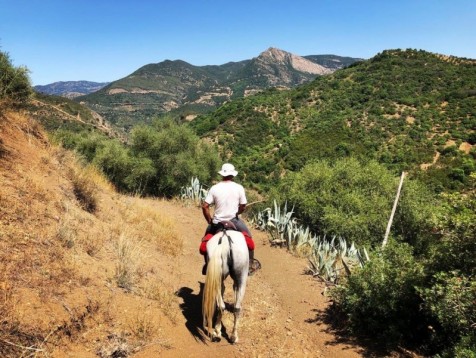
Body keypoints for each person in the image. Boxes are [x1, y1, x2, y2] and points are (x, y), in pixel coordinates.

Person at [200, 163, 258, 275]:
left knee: (206, 240)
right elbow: (243, 206)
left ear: (222, 174)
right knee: (249, 237)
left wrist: (210, 221)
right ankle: (250, 264)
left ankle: (208, 264)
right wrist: (238, 212)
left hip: (217, 223)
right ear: (233, 175)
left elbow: (205, 206)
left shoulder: (215, 188)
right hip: (234, 221)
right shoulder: (239, 187)